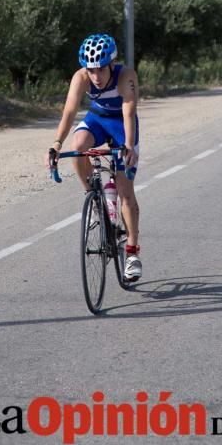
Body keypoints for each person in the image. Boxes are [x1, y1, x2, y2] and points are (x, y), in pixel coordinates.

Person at [47, 33, 142, 281]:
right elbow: (69, 110)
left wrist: (129, 146)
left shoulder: (126, 76)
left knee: (125, 191)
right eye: (91, 70)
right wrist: (56, 144)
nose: (96, 77)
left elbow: (129, 112)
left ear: (111, 64)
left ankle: (132, 252)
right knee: (78, 146)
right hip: (97, 120)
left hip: (122, 125)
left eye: (101, 69)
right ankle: (92, 195)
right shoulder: (81, 78)